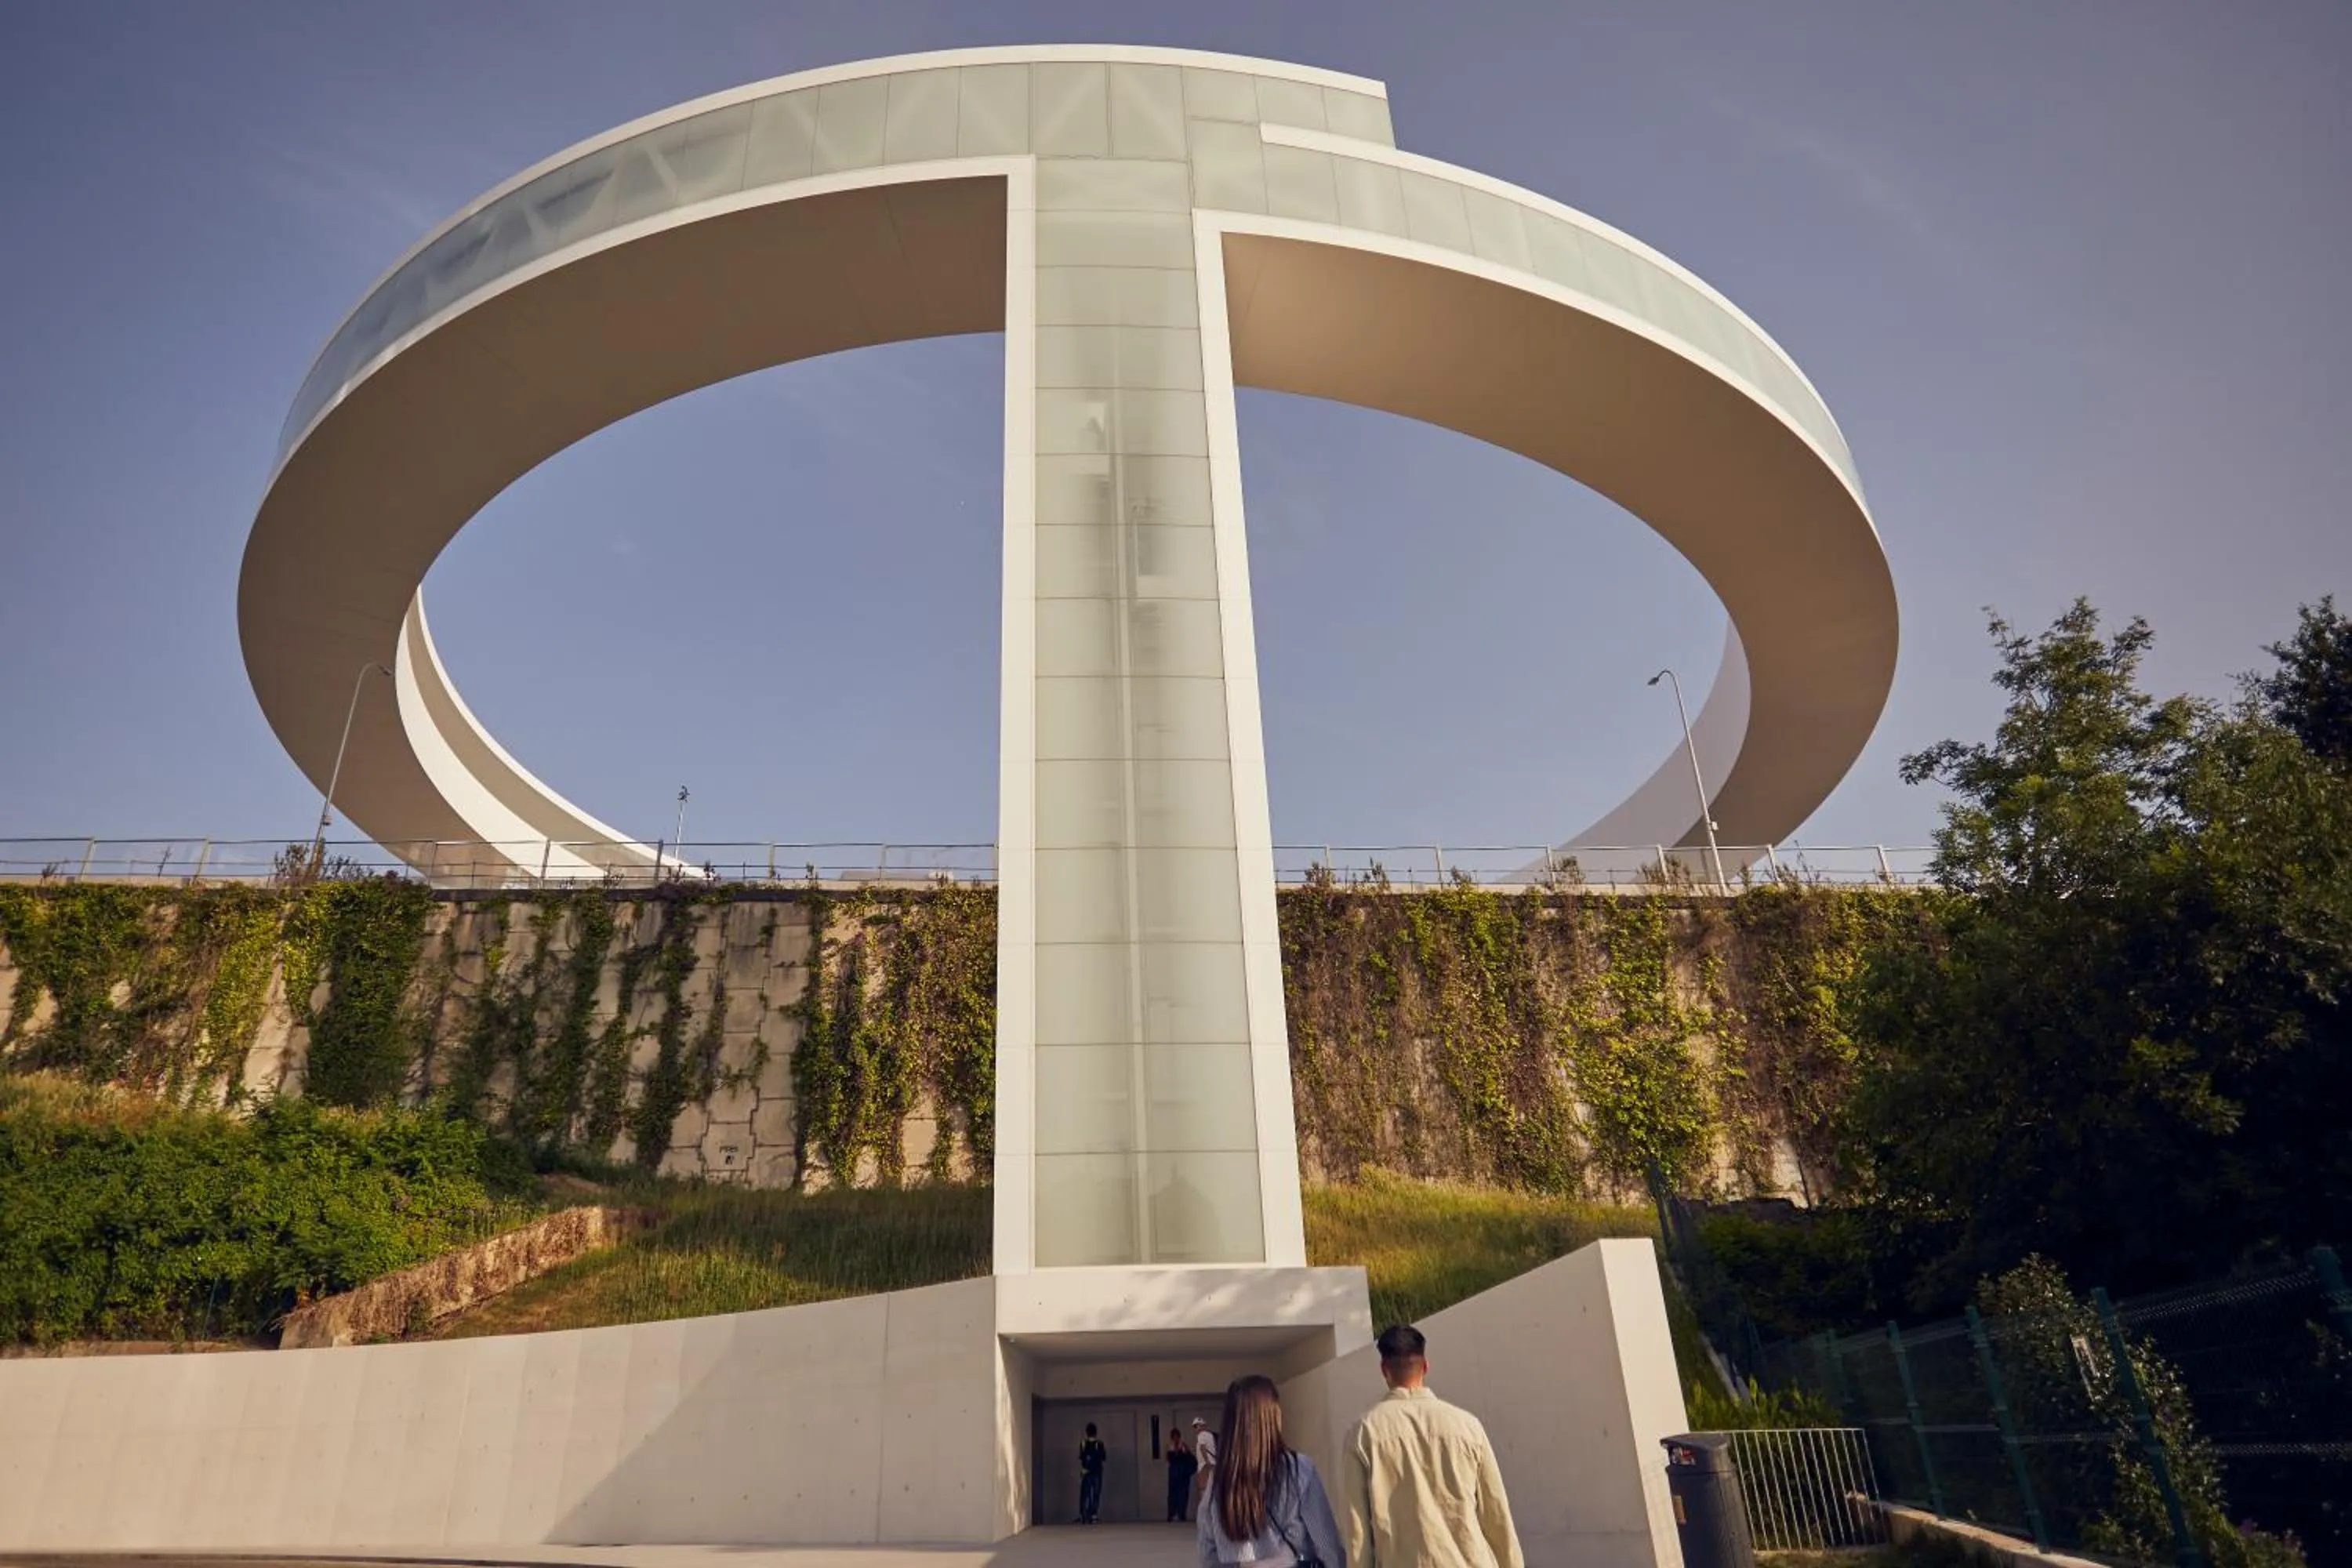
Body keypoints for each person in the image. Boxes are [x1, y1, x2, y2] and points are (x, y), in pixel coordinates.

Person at [1341, 1324, 1523, 1568]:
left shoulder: (1362, 1434)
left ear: (1384, 1370)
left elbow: (1358, 1535)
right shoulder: (1468, 1426)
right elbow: (1497, 1516)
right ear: (1425, 1366)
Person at [1197, 1374, 1345, 1568]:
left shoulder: (1220, 1480)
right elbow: (1327, 1544)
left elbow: (1208, 1550)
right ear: (1273, 1415)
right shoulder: (1299, 1469)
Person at [1167, 1414, 1199, 1523]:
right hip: (1174, 1473)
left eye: (1177, 1436)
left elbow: (1189, 1458)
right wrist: (1174, 1452)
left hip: (1183, 1473)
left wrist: (1183, 1452)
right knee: (1172, 1494)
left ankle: (1182, 1513)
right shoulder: (1169, 1446)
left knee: (1183, 1493)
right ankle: (1171, 1513)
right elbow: (1169, 1459)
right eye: (1174, 1436)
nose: (1175, 1438)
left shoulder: (1184, 1445)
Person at [1076, 1421, 1107, 1526]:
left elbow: (1082, 1458)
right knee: (1096, 1494)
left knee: (1085, 1494)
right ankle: (1093, 1515)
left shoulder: (1083, 1444)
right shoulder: (1100, 1444)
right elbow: (1103, 1458)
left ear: (1087, 1433)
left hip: (1086, 1472)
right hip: (1097, 1472)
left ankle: (1084, 1515)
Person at [1189, 1414, 1218, 1517]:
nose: (1196, 1429)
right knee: (1211, 1489)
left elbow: (1202, 1448)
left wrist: (1207, 1462)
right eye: (1196, 1426)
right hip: (1212, 1463)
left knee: (1203, 1488)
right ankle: (1212, 1511)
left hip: (1205, 1465)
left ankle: (1205, 1512)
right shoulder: (1210, 1435)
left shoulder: (1201, 1435)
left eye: (1197, 1426)